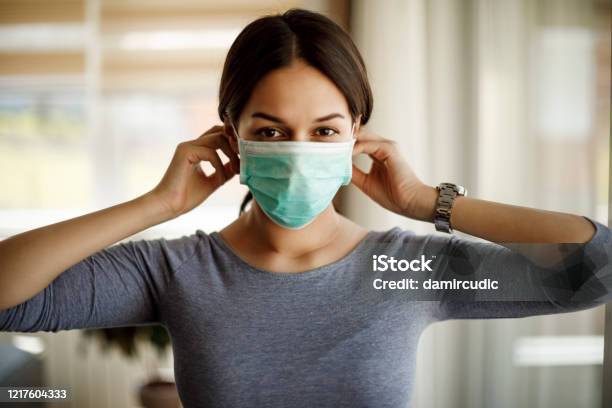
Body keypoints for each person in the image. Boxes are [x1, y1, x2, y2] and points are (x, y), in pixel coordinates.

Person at [1, 8, 611, 408]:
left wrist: (430, 202)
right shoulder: (175, 271)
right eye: (269, 132)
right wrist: (157, 205)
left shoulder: (405, 269)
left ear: (357, 133)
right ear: (230, 135)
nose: (296, 151)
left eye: (322, 131)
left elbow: (596, 268)